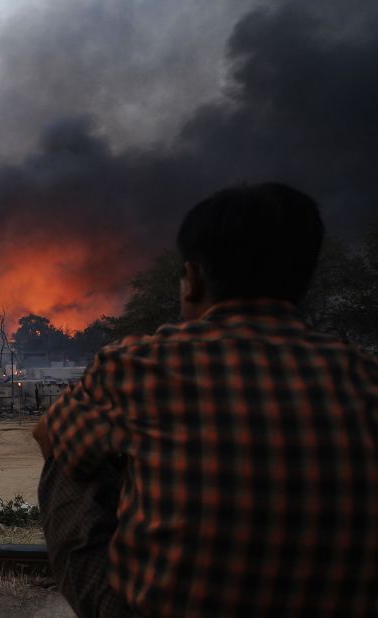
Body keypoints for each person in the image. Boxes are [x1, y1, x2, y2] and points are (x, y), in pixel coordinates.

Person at [34, 183, 378, 617]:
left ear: (192, 280)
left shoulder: (139, 366)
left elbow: (47, 434)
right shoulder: (363, 375)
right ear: (304, 278)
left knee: (72, 450)